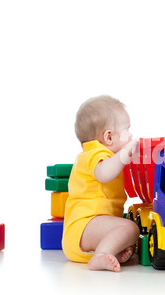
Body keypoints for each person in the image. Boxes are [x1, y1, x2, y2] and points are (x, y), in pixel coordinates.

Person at [62, 95, 140, 272]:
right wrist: (124, 154)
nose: (131, 135)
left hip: (88, 233)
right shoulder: (94, 154)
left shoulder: (105, 157)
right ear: (109, 137)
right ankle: (100, 255)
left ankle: (107, 252)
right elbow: (104, 174)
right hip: (84, 226)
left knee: (129, 239)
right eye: (127, 130)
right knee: (130, 228)